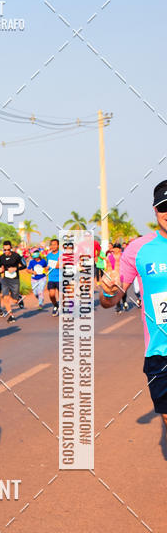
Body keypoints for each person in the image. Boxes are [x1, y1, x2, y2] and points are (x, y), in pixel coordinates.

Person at [100, 180, 167, 438]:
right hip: (159, 351)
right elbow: (113, 298)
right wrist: (107, 291)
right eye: (164, 208)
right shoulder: (138, 249)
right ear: (155, 211)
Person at [0, 240, 25, 323]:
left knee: (14, 300)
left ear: (11, 248)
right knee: (5, 297)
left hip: (15, 279)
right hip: (5, 279)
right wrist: (1, 270)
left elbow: (24, 265)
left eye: (8, 249)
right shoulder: (1, 257)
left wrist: (16, 268)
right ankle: (11, 315)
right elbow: (0, 268)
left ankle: (18, 298)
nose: (6, 251)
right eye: (4, 250)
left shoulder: (16, 256)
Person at [46, 238, 61, 316]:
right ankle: (55, 305)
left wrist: (56, 265)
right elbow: (47, 266)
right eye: (51, 245)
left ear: (58, 245)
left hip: (60, 278)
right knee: (51, 295)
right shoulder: (48, 256)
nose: (53, 246)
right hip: (51, 278)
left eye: (55, 244)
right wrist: (46, 268)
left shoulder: (62, 254)